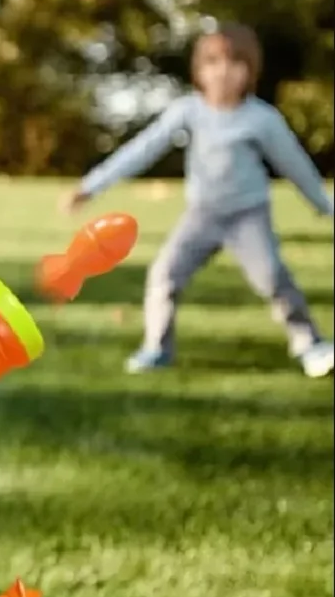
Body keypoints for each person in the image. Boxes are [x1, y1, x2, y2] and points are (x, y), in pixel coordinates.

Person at [63, 23, 335, 378]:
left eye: (235, 63)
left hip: (248, 216)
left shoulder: (262, 120)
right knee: (164, 274)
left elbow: (296, 165)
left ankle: (311, 345)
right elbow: (142, 149)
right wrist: (90, 186)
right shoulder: (188, 112)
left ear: (250, 71)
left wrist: (325, 205)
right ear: (199, 71)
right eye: (213, 62)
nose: (223, 71)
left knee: (272, 278)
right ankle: (156, 349)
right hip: (202, 216)